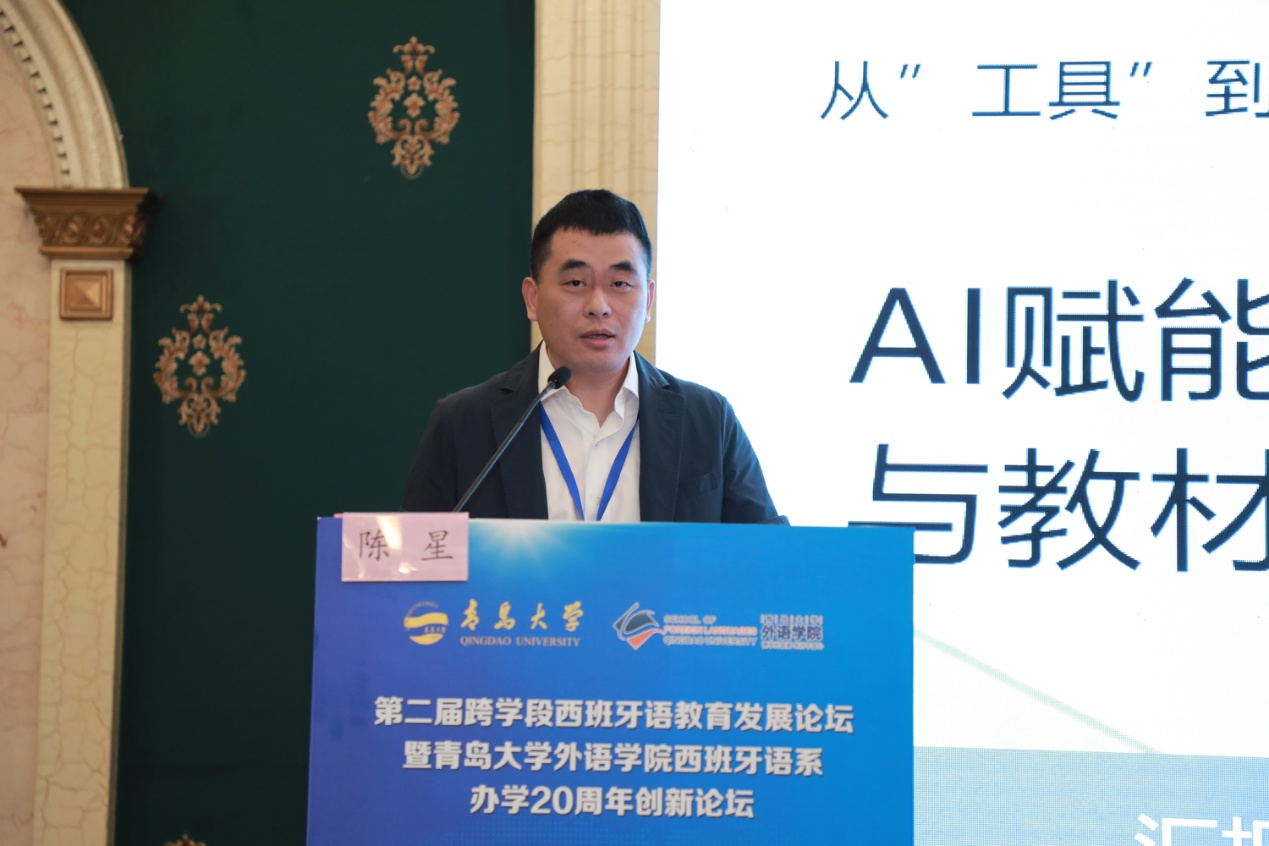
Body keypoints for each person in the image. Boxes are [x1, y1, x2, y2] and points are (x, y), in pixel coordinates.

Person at [403, 189, 784, 523]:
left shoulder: (708, 419)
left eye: (620, 283)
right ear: (532, 299)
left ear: (648, 300)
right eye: (575, 283)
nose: (598, 305)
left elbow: (769, 555)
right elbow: (413, 565)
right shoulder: (463, 423)